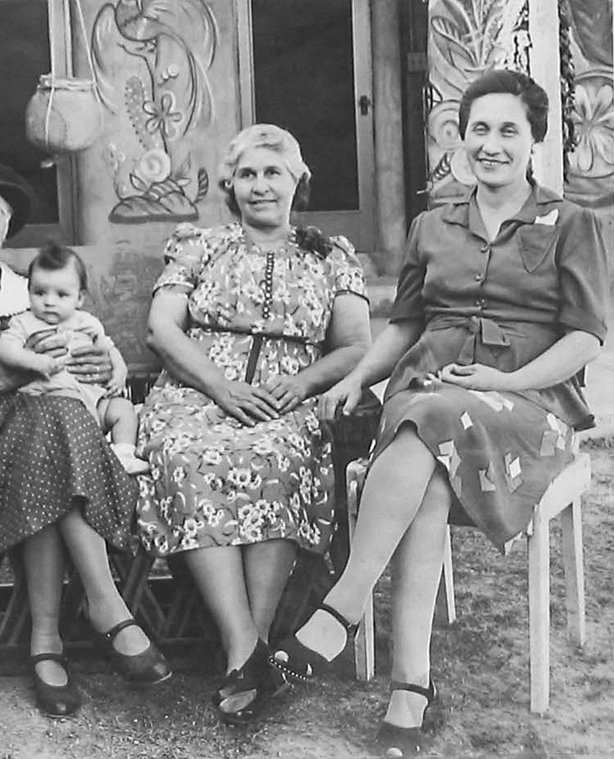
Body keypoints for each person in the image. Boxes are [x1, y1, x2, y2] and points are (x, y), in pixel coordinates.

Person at [271, 69, 609, 757]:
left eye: (507, 130)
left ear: (533, 140)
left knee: (425, 423)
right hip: (430, 391)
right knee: (424, 439)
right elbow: (406, 323)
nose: (490, 144)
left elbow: (584, 337)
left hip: (528, 400)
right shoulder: (432, 225)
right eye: (477, 129)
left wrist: (504, 376)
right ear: (460, 138)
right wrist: (360, 376)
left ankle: (347, 601)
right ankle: (410, 683)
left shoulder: (571, 223)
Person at [0, 161, 171, 718]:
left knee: (54, 428)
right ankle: (107, 608)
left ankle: (46, 641)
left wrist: (106, 367)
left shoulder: (38, 290)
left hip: (49, 435)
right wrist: (9, 376)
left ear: (6, 226)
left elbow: (94, 359)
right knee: (56, 424)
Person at [135, 124, 372, 724]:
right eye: (247, 174)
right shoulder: (198, 245)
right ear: (230, 186)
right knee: (192, 455)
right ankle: (249, 649)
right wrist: (218, 386)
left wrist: (301, 384)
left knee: (276, 457)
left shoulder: (331, 254)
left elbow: (354, 346)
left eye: (273, 172)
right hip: (196, 390)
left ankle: (251, 646)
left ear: (299, 182)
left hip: (285, 398)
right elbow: (162, 328)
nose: (260, 186)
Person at [0, 243, 149, 474]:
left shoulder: (85, 322)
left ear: (80, 298)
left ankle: (123, 454)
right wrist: (35, 361)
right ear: (28, 293)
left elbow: (108, 348)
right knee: (54, 417)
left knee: (123, 409)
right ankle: (85, 454)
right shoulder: (24, 322)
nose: (49, 301)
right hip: (53, 398)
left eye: (61, 294)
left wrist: (120, 372)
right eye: (39, 292)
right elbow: (5, 350)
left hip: (93, 399)